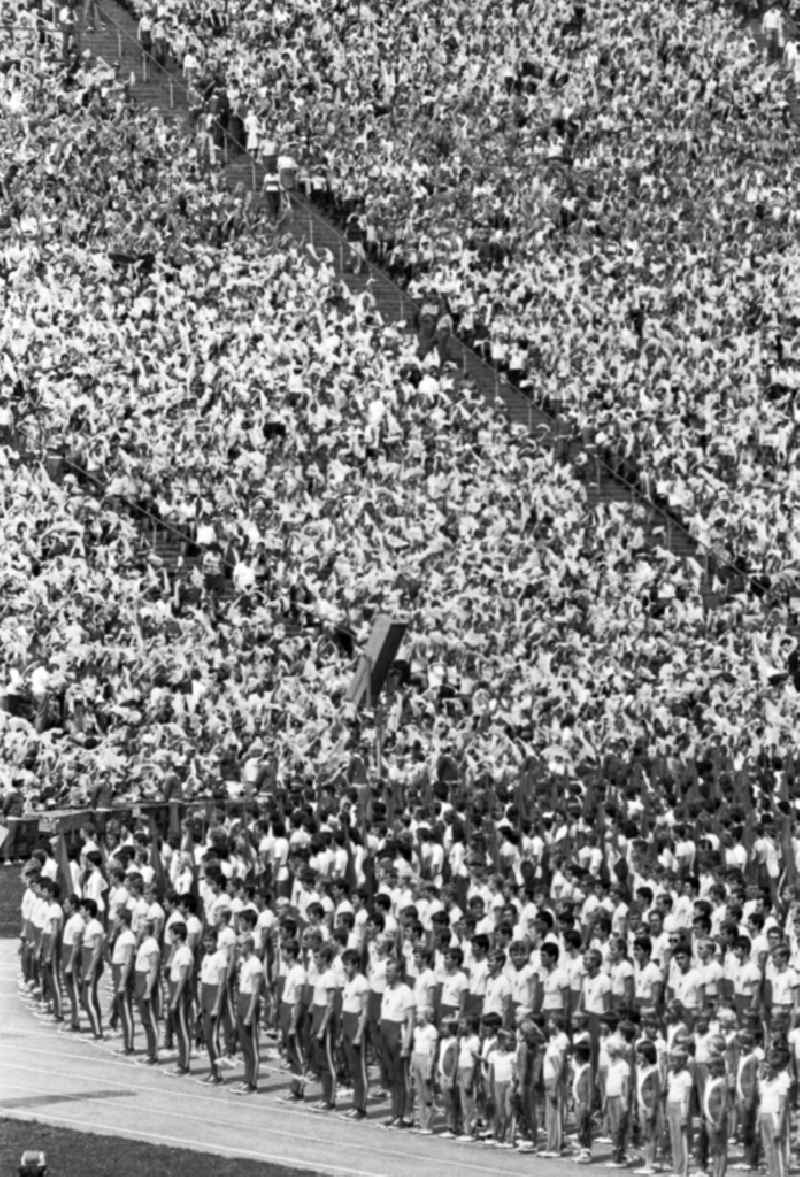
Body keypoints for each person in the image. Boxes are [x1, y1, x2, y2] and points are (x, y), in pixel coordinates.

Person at [379, 957, 414, 1128]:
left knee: (401, 1078)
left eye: (390, 971)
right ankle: (394, 1113)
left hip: (397, 1036)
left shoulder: (406, 991)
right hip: (385, 1033)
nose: (387, 974)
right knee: (392, 1077)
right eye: (387, 970)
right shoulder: (387, 989)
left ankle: (404, 1115)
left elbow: (410, 1019)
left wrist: (406, 1045)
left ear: (399, 973)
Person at [339, 949, 369, 1120]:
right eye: (343, 964)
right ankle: (355, 1104)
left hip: (356, 1025)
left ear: (356, 965)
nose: (345, 967)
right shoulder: (348, 981)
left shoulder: (362, 982)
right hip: (347, 1025)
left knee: (360, 1069)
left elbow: (364, 1011)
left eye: (348, 964)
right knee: (352, 1068)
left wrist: (359, 1034)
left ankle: (361, 1107)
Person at [234, 933, 263, 1094]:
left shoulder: (255, 963)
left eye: (241, 945)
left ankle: (252, 1082)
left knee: (251, 1045)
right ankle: (246, 1078)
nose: (238, 948)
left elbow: (255, 991)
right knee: (244, 1045)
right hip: (242, 999)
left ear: (249, 945)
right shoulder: (244, 963)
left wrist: (249, 1013)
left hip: (249, 1003)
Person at [198, 926, 226, 1082]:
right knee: (207, 1037)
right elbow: (203, 981)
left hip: (214, 995)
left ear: (216, 941)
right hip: (206, 994)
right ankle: (212, 1070)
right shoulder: (205, 957)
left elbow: (222, 983)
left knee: (213, 1038)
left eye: (210, 940)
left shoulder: (220, 957)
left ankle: (217, 1073)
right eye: (205, 940)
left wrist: (216, 1005)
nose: (207, 943)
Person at [134, 917, 161, 1065]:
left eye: (139, 928)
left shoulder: (152, 945)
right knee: (145, 1021)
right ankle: (150, 1051)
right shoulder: (145, 943)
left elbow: (154, 968)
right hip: (140, 980)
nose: (137, 930)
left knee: (150, 1021)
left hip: (145, 981)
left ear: (145, 929)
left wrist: (149, 989)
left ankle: (154, 1054)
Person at [167, 920, 193, 1076]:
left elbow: (183, 977)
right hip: (174, 987)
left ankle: (185, 1065)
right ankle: (181, 1061)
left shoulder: (184, 952)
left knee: (183, 1028)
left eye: (171, 933)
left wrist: (176, 999)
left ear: (178, 935)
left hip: (180, 991)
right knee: (178, 1027)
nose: (169, 936)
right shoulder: (177, 950)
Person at [79, 897, 104, 1040]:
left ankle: (98, 1031)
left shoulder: (95, 926)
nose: (80, 911)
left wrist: (90, 970)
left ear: (88, 911)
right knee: (90, 998)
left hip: (91, 964)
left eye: (82, 908)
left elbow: (98, 950)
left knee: (87, 999)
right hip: (86, 961)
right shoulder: (88, 925)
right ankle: (97, 1027)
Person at [410, 1005, 437, 1134]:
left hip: (426, 1059)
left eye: (419, 1014)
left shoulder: (431, 1030)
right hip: (416, 1058)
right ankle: (421, 1122)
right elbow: (414, 1046)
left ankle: (429, 1123)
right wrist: (412, 1063)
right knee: (419, 1093)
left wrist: (429, 1067)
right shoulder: (416, 1030)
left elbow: (432, 1050)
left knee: (427, 1093)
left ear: (426, 1016)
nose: (417, 1017)